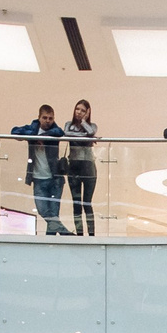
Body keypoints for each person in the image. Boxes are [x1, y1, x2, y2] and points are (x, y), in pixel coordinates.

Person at [16, 103, 70, 234]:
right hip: (38, 178)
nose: (48, 121)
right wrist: (33, 136)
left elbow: (60, 132)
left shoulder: (55, 130)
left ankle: (50, 243)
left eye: (50, 118)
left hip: (55, 178)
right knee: (44, 211)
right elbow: (15, 131)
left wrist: (44, 137)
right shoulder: (33, 129)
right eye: (45, 118)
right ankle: (66, 234)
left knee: (53, 215)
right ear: (39, 117)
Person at [65, 99, 99, 236]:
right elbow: (67, 134)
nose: (79, 112)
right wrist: (86, 137)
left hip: (88, 166)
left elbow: (91, 132)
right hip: (73, 166)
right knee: (76, 203)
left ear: (87, 113)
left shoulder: (92, 125)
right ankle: (79, 234)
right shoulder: (69, 124)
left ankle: (91, 235)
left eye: (83, 111)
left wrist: (84, 123)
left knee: (87, 202)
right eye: (77, 109)